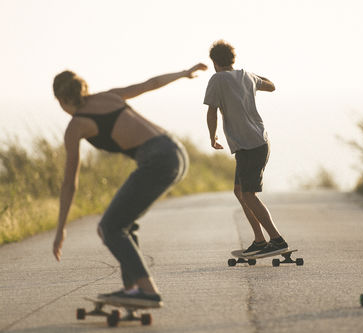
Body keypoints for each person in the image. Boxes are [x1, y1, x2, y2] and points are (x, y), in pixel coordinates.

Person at [52, 63, 207, 307]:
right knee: (123, 225)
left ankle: (148, 291)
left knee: (109, 228)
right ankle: (132, 290)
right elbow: (150, 84)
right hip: (175, 151)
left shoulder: (76, 125)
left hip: (157, 159)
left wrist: (60, 228)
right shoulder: (107, 96)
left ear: (60, 99)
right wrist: (182, 73)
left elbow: (70, 182)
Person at [203, 40, 289, 257]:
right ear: (233, 59)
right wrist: (246, 73)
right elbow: (271, 85)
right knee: (240, 192)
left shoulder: (217, 79)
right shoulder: (247, 76)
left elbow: (212, 111)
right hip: (257, 141)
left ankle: (276, 239)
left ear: (214, 61)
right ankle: (260, 241)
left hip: (249, 145)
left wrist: (212, 136)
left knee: (248, 194)